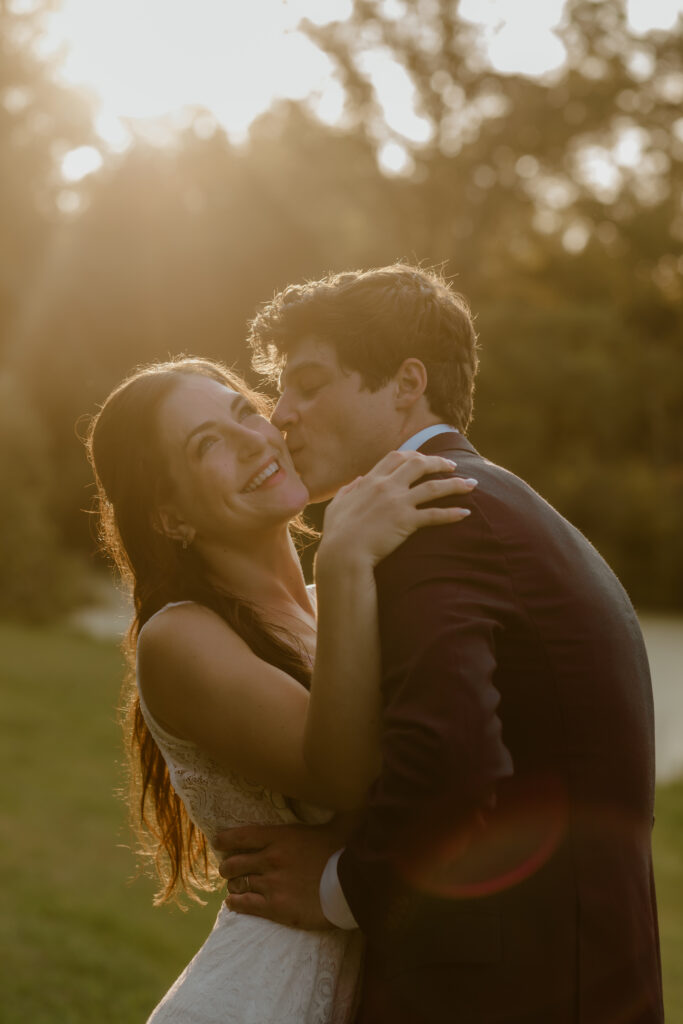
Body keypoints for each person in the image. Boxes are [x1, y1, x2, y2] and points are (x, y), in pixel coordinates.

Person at [217, 264, 664, 1023]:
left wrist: (340, 887)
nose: (281, 415)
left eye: (310, 383)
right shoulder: (475, 497)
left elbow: (450, 756)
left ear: (405, 381)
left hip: (512, 985)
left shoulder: (436, 520)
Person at [85, 355, 476, 1024]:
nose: (251, 440)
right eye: (206, 444)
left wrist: (343, 864)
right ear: (169, 516)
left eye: (244, 411)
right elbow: (344, 773)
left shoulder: (340, 606)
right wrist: (345, 556)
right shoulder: (178, 639)